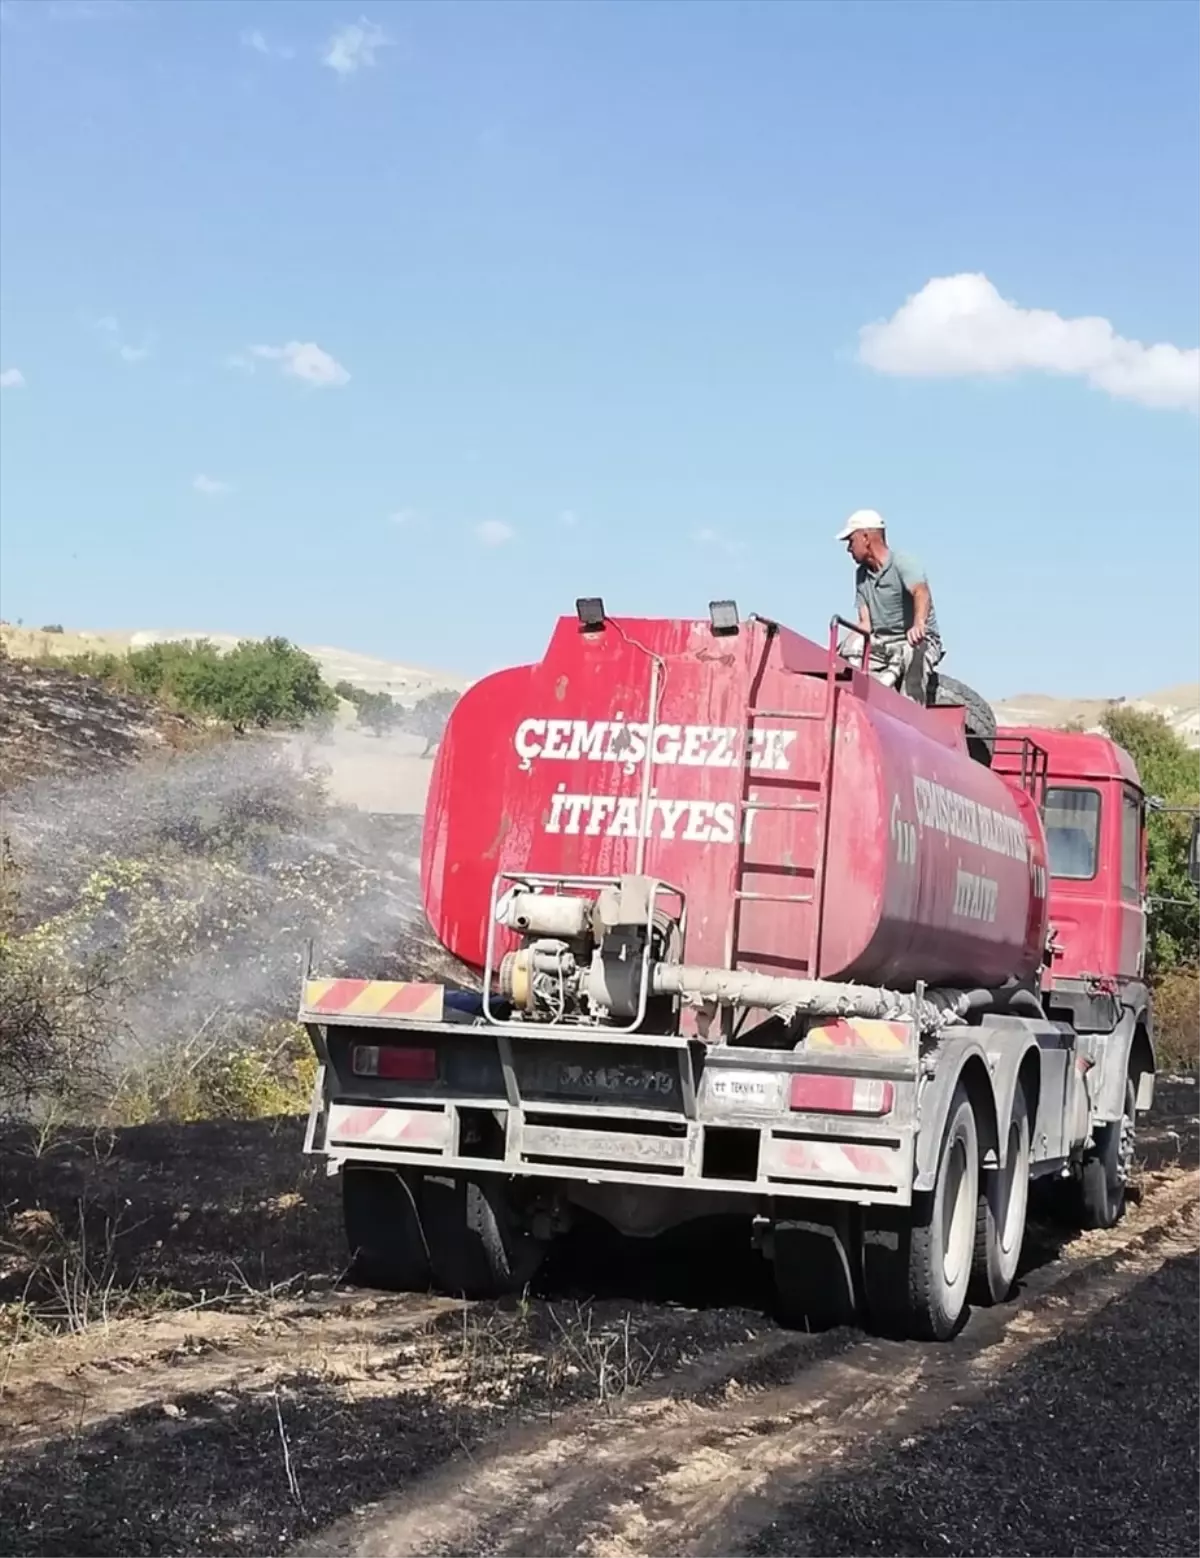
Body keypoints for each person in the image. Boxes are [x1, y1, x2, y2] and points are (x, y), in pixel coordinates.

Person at [835, 509, 944, 703]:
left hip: (915, 641)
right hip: (883, 643)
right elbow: (865, 624)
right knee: (850, 648)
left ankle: (911, 711)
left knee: (913, 651)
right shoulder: (861, 575)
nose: (848, 549)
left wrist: (919, 624)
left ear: (866, 537)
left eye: (851, 541)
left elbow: (921, 592)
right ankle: (862, 701)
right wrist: (838, 648)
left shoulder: (902, 562)